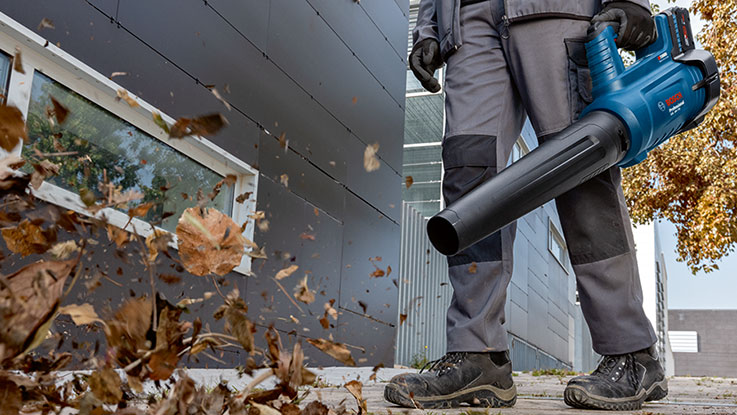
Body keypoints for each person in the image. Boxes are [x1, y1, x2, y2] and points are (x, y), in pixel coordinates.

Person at [384, 0, 667, 410]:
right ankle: (478, 355)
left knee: (580, 168)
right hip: (469, 24)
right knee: (470, 181)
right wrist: (428, 27)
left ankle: (633, 354)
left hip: (556, 11)